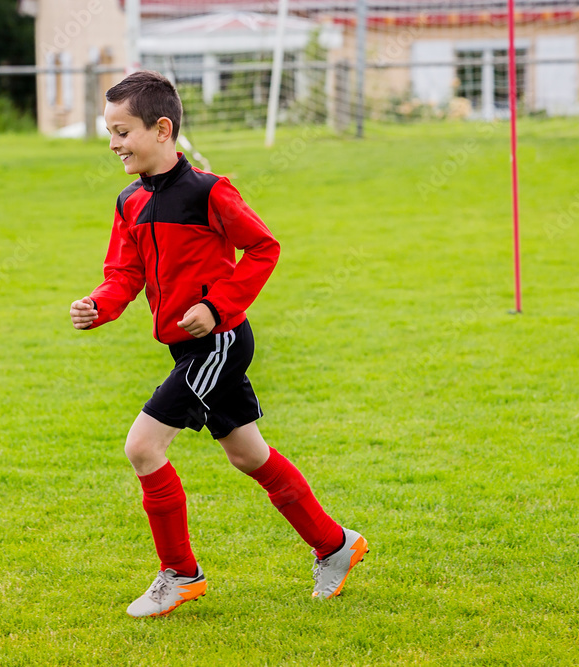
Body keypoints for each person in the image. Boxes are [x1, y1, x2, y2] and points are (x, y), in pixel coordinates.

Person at [70, 71, 368, 618]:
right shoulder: (130, 201)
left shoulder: (210, 191)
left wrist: (215, 306)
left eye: (122, 132)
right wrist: (99, 304)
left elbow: (263, 248)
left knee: (143, 447)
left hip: (222, 342)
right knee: (248, 454)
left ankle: (180, 574)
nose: (114, 145)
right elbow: (124, 272)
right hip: (186, 349)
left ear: (163, 129)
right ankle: (335, 544)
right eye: (109, 133)